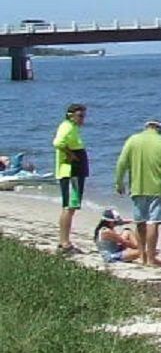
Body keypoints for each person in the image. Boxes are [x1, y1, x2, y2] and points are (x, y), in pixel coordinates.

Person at [113, 119, 161, 268]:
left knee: (140, 222)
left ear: (146, 127)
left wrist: (119, 182)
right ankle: (151, 258)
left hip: (137, 188)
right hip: (157, 189)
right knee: (153, 223)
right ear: (159, 129)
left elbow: (121, 162)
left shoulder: (133, 140)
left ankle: (142, 256)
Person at [52, 102, 89, 253]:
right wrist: (70, 154)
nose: (82, 119)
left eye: (84, 116)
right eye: (80, 116)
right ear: (71, 116)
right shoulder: (66, 126)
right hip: (70, 172)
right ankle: (64, 242)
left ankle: (64, 241)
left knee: (70, 207)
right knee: (69, 207)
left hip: (75, 172)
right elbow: (58, 143)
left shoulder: (72, 128)